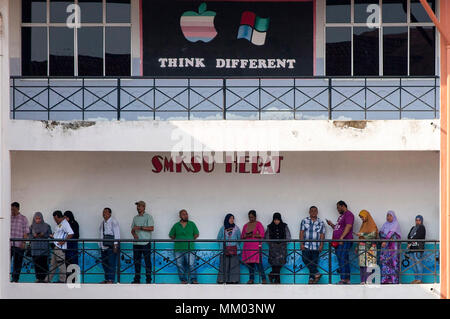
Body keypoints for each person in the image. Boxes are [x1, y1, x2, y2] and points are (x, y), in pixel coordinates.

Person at [326, 200, 354, 284]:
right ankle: (343, 278)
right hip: (338, 242)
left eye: (338, 208)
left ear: (343, 206)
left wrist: (341, 238)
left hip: (345, 241)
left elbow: (349, 226)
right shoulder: (341, 217)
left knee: (343, 258)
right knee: (341, 259)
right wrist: (331, 225)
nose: (337, 210)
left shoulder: (349, 214)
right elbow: (338, 228)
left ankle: (345, 279)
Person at [169, 209, 200, 284]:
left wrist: (190, 240)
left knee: (192, 264)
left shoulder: (192, 224)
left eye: (186, 214)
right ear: (180, 216)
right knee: (179, 265)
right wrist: (179, 240)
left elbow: (196, 234)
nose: (186, 215)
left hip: (190, 248)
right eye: (183, 214)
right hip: (178, 248)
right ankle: (183, 280)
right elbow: (171, 235)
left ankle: (194, 279)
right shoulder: (176, 225)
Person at [300, 206, 326, 284]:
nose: (313, 212)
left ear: (317, 212)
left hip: (316, 246)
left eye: (315, 211)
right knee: (305, 259)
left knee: (314, 263)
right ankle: (316, 273)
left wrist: (321, 245)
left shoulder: (321, 222)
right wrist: (301, 244)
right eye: (312, 211)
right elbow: (301, 232)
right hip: (306, 245)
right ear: (309, 212)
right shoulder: (304, 221)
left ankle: (311, 279)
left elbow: (322, 234)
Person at [131, 200, 154, 284]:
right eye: (137, 206)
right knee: (136, 262)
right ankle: (137, 279)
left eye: (140, 206)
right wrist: (134, 235)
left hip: (145, 243)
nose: (138, 207)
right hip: (136, 243)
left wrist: (140, 227)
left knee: (147, 262)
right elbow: (132, 230)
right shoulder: (135, 218)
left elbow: (152, 228)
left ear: (144, 207)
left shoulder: (148, 217)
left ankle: (148, 280)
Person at [47, 210, 74, 283]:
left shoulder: (65, 223)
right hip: (55, 247)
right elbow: (59, 234)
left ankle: (62, 280)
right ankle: (47, 280)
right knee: (52, 264)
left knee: (61, 264)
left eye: (55, 219)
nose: (55, 221)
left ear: (59, 217)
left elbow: (71, 233)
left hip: (60, 248)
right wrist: (52, 236)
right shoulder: (60, 224)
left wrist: (63, 241)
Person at [241, 210, 267, 284]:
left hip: (256, 247)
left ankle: (264, 279)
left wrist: (253, 235)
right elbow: (242, 236)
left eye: (252, 217)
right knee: (250, 264)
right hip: (247, 247)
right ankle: (251, 279)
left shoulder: (259, 224)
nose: (251, 219)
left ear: (255, 217)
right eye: (249, 217)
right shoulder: (245, 225)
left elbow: (262, 234)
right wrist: (246, 235)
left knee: (259, 263)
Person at [265, 212, 291, 284]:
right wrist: (272, 244)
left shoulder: (284, 226)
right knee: (274, 264)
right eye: (275, 220)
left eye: (278, 220)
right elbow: (267, 238)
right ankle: (277, 280)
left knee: (280, 264)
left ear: (280, 219)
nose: (276, 221)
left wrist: (284, 244)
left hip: (282, 248)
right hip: (273, 248)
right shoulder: (269, 227)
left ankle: (272, 275)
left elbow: (288, 236)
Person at [217, 213, 241, 284]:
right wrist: (222, 246)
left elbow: (239, 238)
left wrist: (235, 245)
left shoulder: (236, 228)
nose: (232, 220)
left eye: (233, 218)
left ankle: (234, 280)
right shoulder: (223, 228)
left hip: (234, 249)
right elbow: (219, 238)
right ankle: (222, 280)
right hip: (224, 249)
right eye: (230, 218)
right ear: (227, 219)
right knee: (224, 265)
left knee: (234, 265)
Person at [379, 210, 402, 284]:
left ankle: (394, 280)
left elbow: (391, 233)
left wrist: (385, 240)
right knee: (385, 262)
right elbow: (381, 232)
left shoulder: (396, 224)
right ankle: (385, 279)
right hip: (385, 248)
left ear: (393, 216)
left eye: (390, 215)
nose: (388, 217)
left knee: (393, 262)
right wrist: (383, 238)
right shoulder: (385, 224)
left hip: (393, 248)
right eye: (387, 215)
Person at [99, 207, 121, 284]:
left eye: (105, 212)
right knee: (105, 263)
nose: (104, 214)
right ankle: (107, 279)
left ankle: (111, 280)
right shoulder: (102, 223)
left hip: (111, 246)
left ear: (110, 214)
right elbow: (101, 234)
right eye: (103, 212)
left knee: (111, 263)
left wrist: (115, 245)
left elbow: (117, 234)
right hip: (103, 246)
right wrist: (100, 245)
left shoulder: (113, 222)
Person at [29, 212, 52, 283]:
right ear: (34, 219)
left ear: (42, 218)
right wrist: (34, 236)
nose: (38, 220)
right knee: (36, 263)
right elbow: (28, 236)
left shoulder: (47, 226)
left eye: (39, 218)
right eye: (36, 218)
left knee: (44, 263)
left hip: (44, 248)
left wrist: (43, 235)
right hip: (35, 248)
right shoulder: (31, 227)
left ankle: (45, 278)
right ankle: (38, 278)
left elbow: (50, 235)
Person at [356, 210, 378, 284]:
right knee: (362, 265)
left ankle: (369, 281)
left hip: (371, 248)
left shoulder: (372, 225)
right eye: (361, 218)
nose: (362, 219)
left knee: (369, 265)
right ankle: (362, 281)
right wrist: (357, 246)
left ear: (366, 216)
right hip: (362, 247)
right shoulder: (363, 225)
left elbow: (373, 235)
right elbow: (360, 238)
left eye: (362, 217)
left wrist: (362, 234)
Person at [10, 202, 29, 283]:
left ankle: (15, 279)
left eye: (14, 209)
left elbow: (26, 232)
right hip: (9, 245)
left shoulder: (23, 218)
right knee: (6, 262)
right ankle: (5, 278)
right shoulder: (9, 218)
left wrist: (23, 243)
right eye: (11, 209)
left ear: (18, 209)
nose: (12, 211)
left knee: (17, 263)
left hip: (19, 244)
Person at [407, 215, 426, 284]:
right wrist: (409, 243)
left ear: (421, 221)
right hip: (412, 248)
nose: (417, 221)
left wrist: (410, 242)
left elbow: (418, 236)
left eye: (419, 220)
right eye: (416, 220)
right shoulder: (413, 228)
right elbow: (408, 236)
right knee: (414, 265)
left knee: (418, 264)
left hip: (418, 248)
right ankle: (416, 279)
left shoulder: (422, 228)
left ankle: (419, 279)